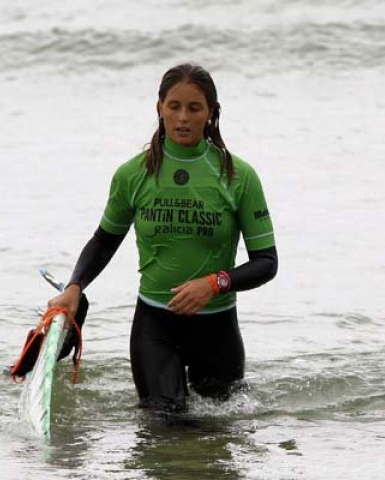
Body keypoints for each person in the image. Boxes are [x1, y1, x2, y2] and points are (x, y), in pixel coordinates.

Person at [48, 63, 278, 411]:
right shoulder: (134, 175)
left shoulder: (238, 177)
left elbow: (266, 262)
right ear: (160, 108)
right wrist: (75, 285)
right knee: (163, 429)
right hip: (155, 328)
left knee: (219, 439)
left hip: (218, 332)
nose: (183, 117)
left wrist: (215, 283)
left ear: (211, 114)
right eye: (174, 106)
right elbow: (104, 241)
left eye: (194, 108)